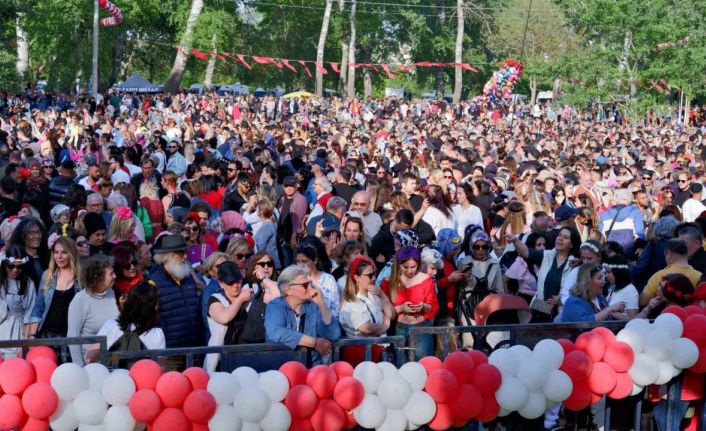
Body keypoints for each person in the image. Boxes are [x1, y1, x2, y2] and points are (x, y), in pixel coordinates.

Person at [264, 265, 340, 364]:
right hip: (282, 367)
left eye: (310, 284)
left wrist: (321, 304)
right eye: (305, 285)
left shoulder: (313, 306)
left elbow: (333, 334)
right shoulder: (275, 306)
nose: (310, 288)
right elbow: (277, 332)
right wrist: (314, 342)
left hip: (311, 367)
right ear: (288, 289)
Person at [510, 226, 581, 321]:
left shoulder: (575, 263)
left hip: (560, 310)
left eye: (565, 237)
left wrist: (560, 300)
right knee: (536, 332)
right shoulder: (546, 255)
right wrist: (515, 240)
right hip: (540, 306)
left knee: (555, 334)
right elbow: (526, 252)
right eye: (559, 235)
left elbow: (577, 290)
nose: (560, 238)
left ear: (572, 244)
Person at [149, 235, 202, 362]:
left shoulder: (188, 278)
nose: (185, 256)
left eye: (185, 252)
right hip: (170, 354)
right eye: (180, 253)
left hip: (195, 349)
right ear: (166, 256)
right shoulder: (153, 283)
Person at [382, 246, 438, 357]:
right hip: (399, 329)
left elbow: (433, 306)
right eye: (405, 267)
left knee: (422, 366)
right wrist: (401, 308)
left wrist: (423, 307)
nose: (410, 271)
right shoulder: (388, 282)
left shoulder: (426, 279)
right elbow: (381, 310)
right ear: (398, 265)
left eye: (413, 267)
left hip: (421, 328)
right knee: (401, 366)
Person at [339, 256, 395, 365]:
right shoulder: (351, 302)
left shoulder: (374, 294)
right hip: (361, 354)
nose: (374, 278)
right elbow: (365, 328)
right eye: (370, 275)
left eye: (374, 273)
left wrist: (382, 294)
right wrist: (385, 325)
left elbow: (391, 314)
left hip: (379, 350)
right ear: (357, 277)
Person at [98, 280, 165, 368]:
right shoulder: (157, 334)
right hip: (142, 380)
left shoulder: (110, 326)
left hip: (112, 379)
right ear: (153, 308)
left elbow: (90, 358)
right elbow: (160, 367)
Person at [68, 254, 119, 366]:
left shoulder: (111, 293)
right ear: (98, 277)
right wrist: (80, 368)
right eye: (111, 274)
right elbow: (73, 337)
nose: (115, 276)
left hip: (112, 361)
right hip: (91, 364)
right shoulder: (80, 300)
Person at [29, 237, 81, 341]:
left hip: (71, 338)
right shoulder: (47, 276)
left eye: (64, 252)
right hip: (45, 335)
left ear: (72, 254)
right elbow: (38, 308)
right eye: (56, 252)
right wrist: (32, 336)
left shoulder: (81, 279)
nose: (59, 257)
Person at [204, 261, 252, 372]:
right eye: (230, 283)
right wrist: (240, 300)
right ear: (221, 283)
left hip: (246, 358)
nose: (235, 286)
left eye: (238, 281)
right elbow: (223, 318)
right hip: (221, 361)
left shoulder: (248, 297)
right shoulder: (215, 299)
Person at [640, 238, 702, 306]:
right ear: (687, 253)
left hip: (666, 314)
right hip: (691, 314)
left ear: (668, 253)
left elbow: (643, 301)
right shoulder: (700, 277)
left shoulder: (659, 276)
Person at [0, 246, 36, 358]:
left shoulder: (28, 284)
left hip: (18, 336)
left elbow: (30, 316)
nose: (15, 270)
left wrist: (24, 345)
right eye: (10, 266)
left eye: (19, 267)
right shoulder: (1, 282)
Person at [560, 263, 624, 323]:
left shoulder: (600, 298)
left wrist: (615, 313)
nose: (604, 282)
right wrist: (609, 309)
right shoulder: (573, 302)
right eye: (599, 278)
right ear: (587, 282)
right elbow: (585, 325)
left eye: (603, 278)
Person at [295, 243, 340, 320]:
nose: (300, 265)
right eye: (298, 261)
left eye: (304, 261)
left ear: (315, 260)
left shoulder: (329, 279)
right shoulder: (295, 280)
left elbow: (336, 308)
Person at [603, 255, 640, 320]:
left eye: (609, 272)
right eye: (605, 272)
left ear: (618, 272)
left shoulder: (630, 290)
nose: (606, 275)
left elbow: (633, 321)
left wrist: (611, 313)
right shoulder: (612, 286)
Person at [253, 199, 281, 269]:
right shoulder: (268, 224)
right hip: (268, 260)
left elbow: (261, 245)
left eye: (257, 207)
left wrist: (256, 260)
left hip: (268, 262)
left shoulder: (267, 226)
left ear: (261, 211)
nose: (256, 209)